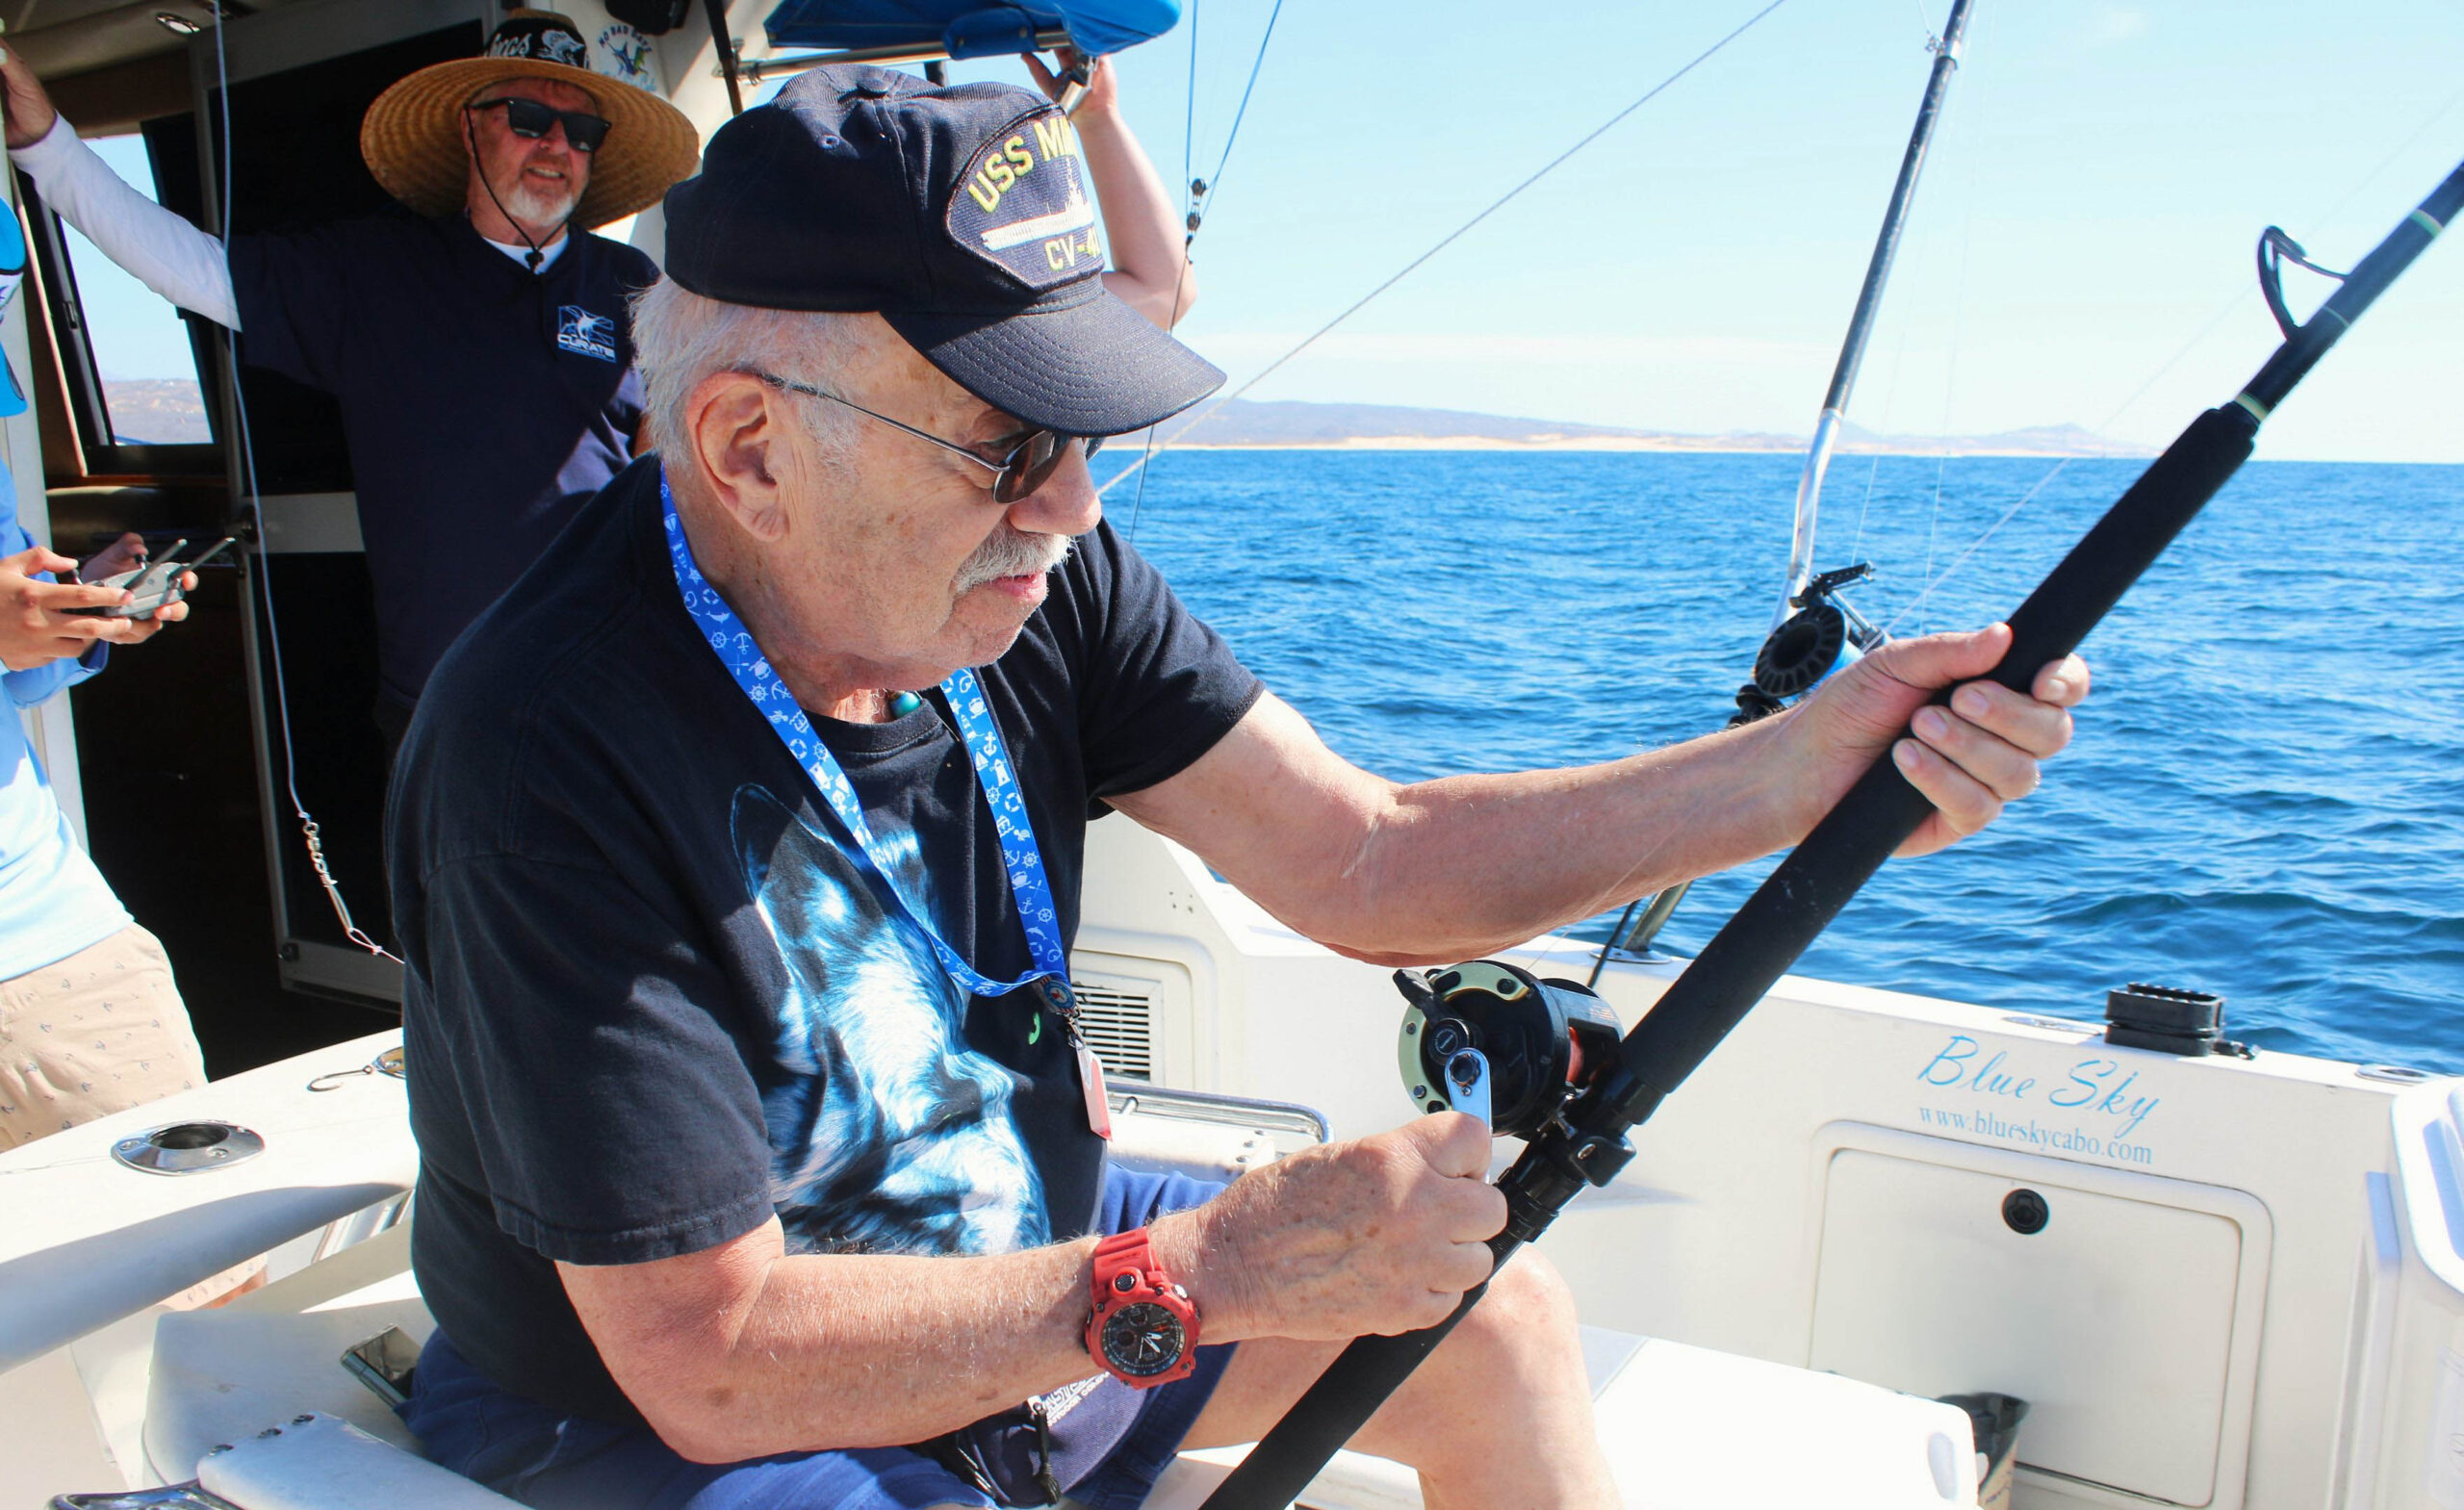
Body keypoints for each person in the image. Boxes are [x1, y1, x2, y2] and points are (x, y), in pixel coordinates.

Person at [389, 66, 2092, 1510]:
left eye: (1082, 437)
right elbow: (711, 1362)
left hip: (1014, 1244)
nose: (1067, 505)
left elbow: (1368, 857)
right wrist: (1206, 1270)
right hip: (658, 1412)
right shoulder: (546, 751)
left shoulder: (1024, 568)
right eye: (1007, 439)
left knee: (1496, 1320)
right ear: (751, 446)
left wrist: (1802, 772)